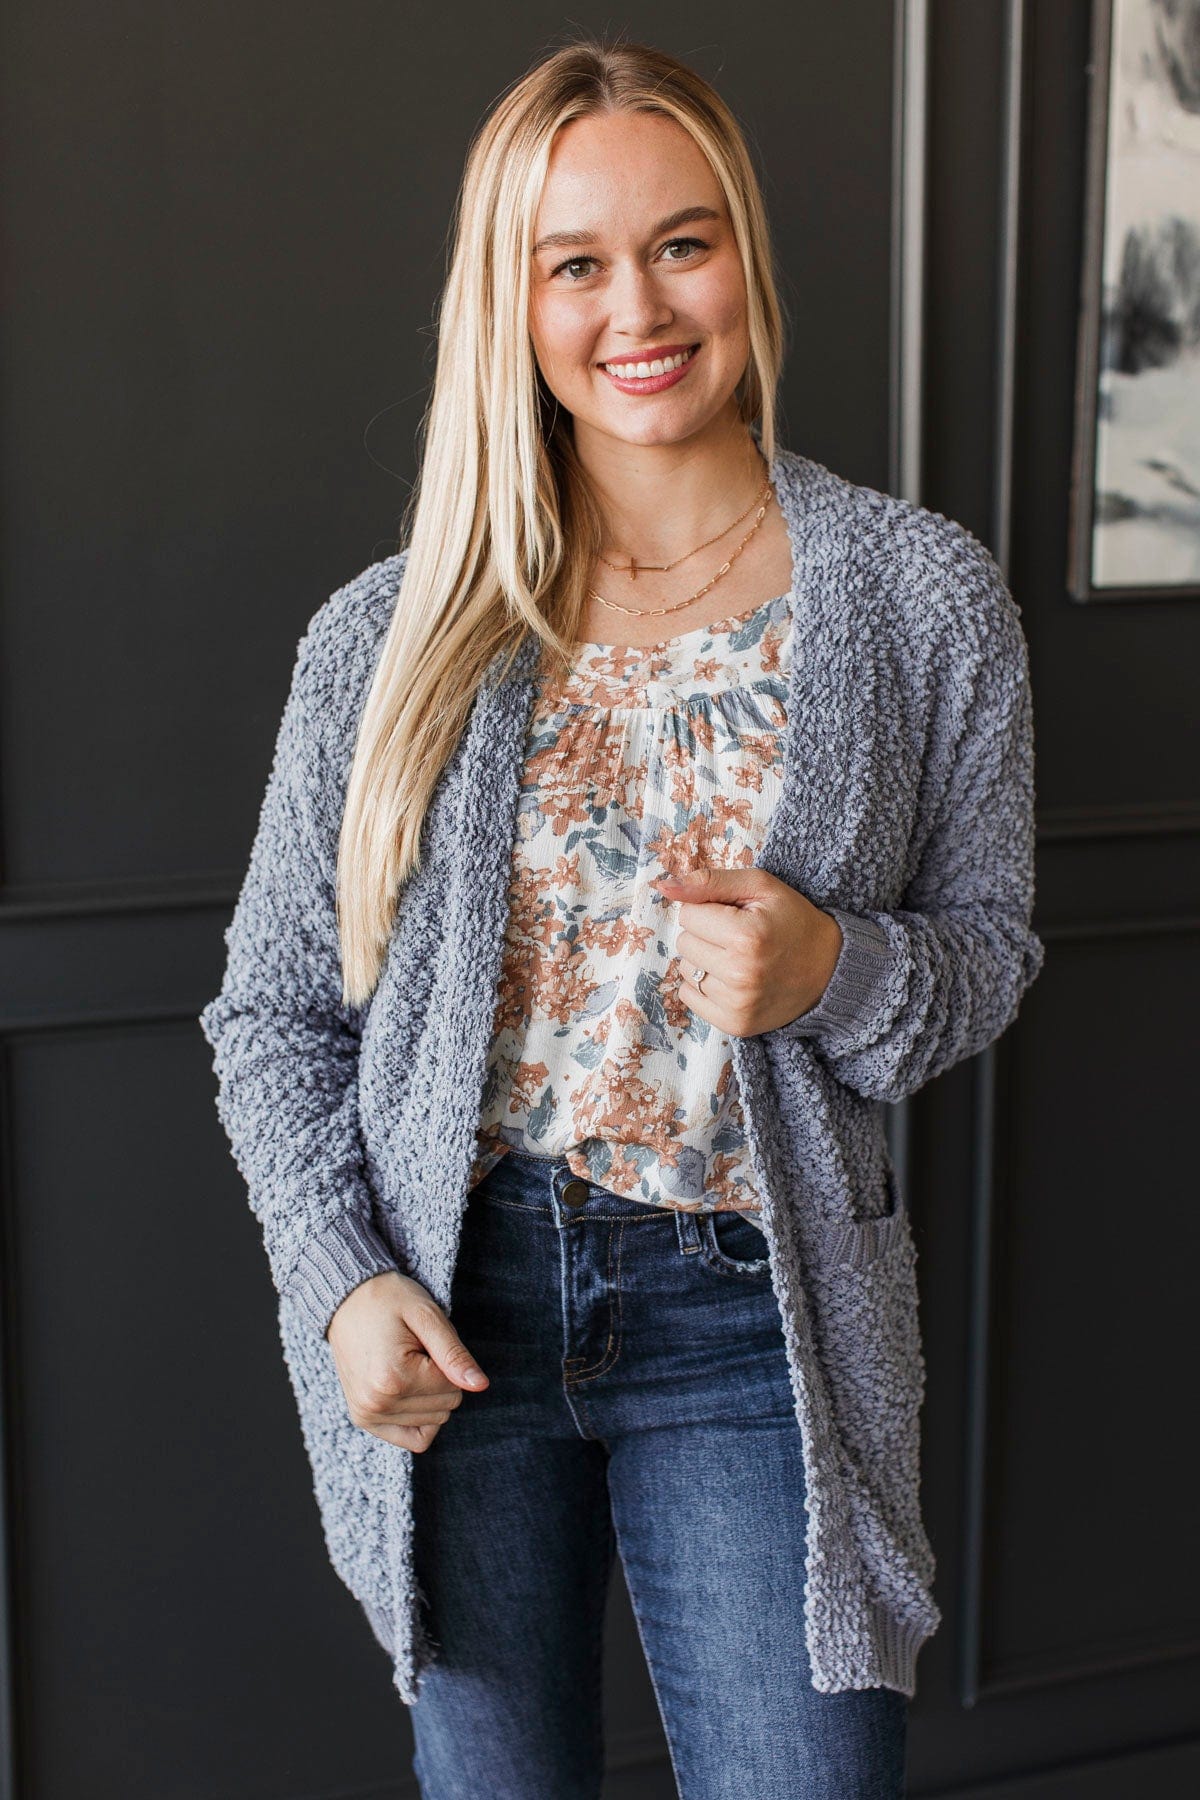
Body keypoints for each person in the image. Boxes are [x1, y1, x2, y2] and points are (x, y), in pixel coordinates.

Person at [199, 34, 1045, 1800]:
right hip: (458, 1313)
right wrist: (342, 1278)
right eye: (573, 263)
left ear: (745, 257)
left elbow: (990, 950)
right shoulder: (392, 637)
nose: (638, 308)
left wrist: (838, 969)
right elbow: (271, 1015)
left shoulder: (922, 599)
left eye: (681, 244)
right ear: (509, 305)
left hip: (757, 1323)